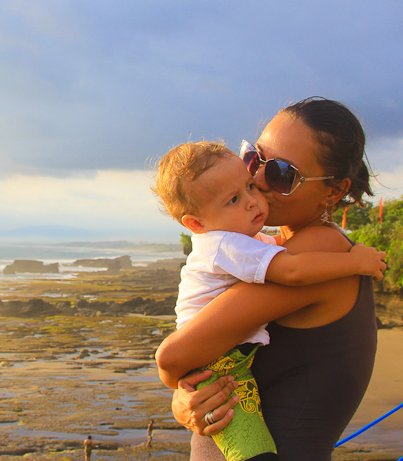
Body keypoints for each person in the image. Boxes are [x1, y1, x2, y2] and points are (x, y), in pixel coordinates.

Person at [155, 97, 380, 461]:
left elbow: (172, 356)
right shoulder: (269, 249)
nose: (257, 179)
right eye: (254, 159)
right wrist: (186, 399)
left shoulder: (316, 255)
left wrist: (178, 384)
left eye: (281, 173)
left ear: (335, 191)